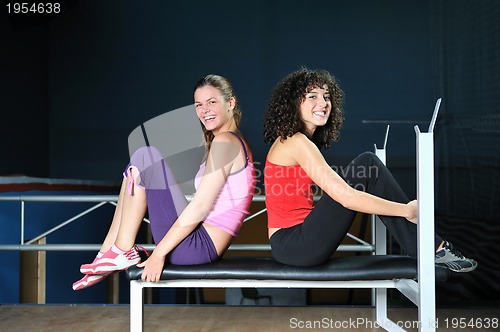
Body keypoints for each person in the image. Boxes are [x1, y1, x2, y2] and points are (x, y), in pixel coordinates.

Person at [263, 67, 477, 272]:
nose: (323, 103)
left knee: (367, 167)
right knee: (367, 164)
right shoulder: (296, 141)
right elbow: (346, 197)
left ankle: (429, 247)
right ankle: (431, 248)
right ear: (294, 103)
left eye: (327, 97)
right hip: (294, 245)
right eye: (313, 96)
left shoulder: (296, 141)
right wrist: (407, 210)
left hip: (294, 243)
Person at [73, 74, 256, 290]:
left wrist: (158, 255)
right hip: (198, 244)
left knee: (145, 157)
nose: (204, 110)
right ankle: (108, 254)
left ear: (231, 103)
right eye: (199, 104)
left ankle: (119, 251)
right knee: (137, 166)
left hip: (197, 247)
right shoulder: (230, 141)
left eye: (212, 102)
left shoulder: (226, 142)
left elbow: (200, 207)